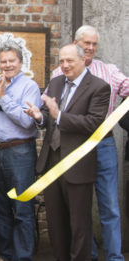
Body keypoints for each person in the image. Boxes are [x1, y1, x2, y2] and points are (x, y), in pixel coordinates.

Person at [50, 25, 129, 261]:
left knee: (109, 206)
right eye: (87, 43)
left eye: (94, 44)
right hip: (73, 148)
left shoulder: (109, 71)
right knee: (79, 208)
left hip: (102, 144)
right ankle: (90, 255)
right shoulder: (59, 73)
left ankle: (114, 257)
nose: (91, 48)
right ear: (76, 43)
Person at [25, 43, 110, 261]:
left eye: (70, 61)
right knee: (56, 223)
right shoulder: (55, 83)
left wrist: (60, 115)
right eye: (61, 61)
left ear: (83, 60)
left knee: (79, 225)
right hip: (52, 162)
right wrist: (39, 116)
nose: (64, 65)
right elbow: (47, 115)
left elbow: (93, 123)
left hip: (78, 165)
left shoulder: (99, 87)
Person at [0, 41, 42, 261]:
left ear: (20, 62)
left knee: (22, 208)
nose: (7, 65)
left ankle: (22, 257)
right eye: (3, 61)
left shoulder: (30, 86)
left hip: (20, 153)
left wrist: (3, 98)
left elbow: (26, 122)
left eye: (11, 61)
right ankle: (6, 255)